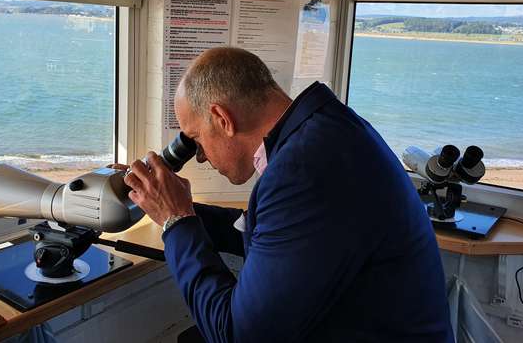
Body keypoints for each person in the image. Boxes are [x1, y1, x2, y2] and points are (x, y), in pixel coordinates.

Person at [122, 47, 453, 342]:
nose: (200, 156)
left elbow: (235, 334)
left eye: (196, 139)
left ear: (223, 119)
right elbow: (274, 232)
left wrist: (177, 222)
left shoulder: (305, 170)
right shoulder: (323, 131)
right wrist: (172, 208)